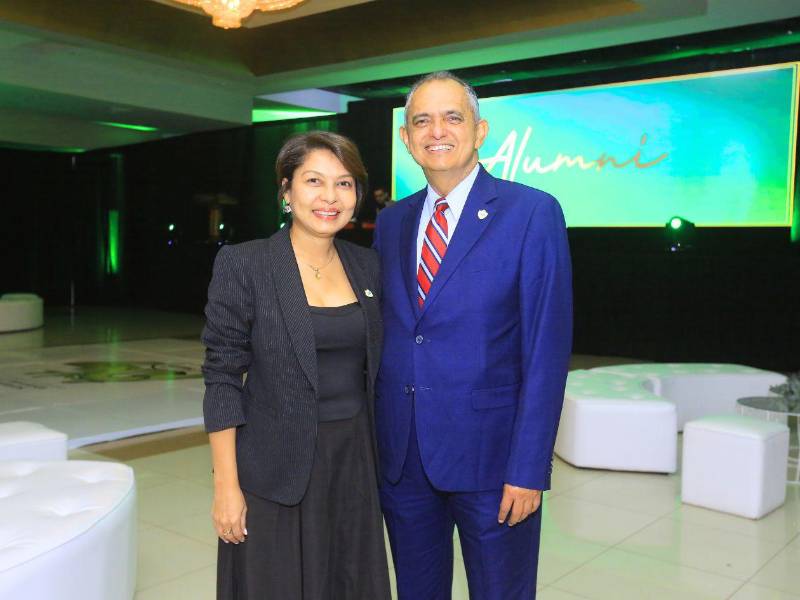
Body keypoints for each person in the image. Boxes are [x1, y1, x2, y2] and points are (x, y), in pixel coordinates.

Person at [373, 71, 573, 599]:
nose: (437, 130)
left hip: (494, 463)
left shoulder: (532, 212)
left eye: (452, 117)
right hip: (403, 461)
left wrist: (529, 468)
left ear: (480, 130)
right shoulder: (392, 221)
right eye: (422, 120)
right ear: (406, 137)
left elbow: (547, 352)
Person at [202, 131, 391, 600]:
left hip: (354, 465)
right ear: (286, 191)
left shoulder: (368, 266)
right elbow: (223, 377)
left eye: (344, 184)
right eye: (313, 181)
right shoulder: (247, 264)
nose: (330, 197)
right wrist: (227, 487)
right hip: (273, 470)